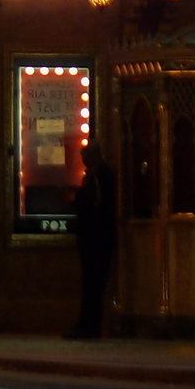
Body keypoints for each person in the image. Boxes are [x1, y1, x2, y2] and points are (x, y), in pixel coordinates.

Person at [70, 142, 117, 339]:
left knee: (93, 285)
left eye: (86, 158)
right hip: (97, 239)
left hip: (95, 240)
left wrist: (76, 199)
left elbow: (94, 206)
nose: (83, 162)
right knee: (92, 285)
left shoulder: (99, 175)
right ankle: (88, 325)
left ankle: (89, 326)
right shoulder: (99, 173)